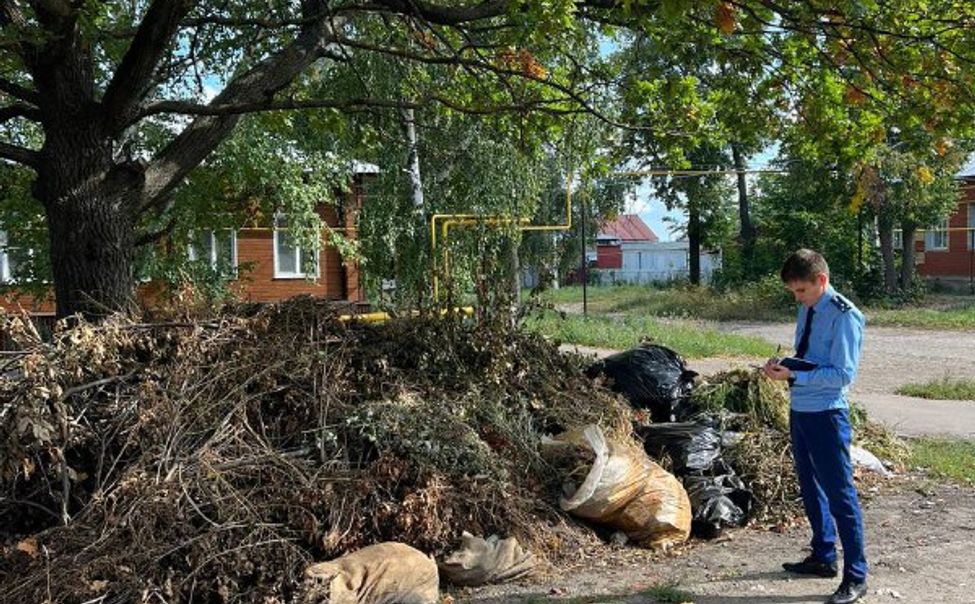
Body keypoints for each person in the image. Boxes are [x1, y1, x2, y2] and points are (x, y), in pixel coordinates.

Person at [763, 249, 868, 604]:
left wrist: (793, 374)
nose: (797, 298)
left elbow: (842, 375)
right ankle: (824, 556)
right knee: (810, 488)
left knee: (840, 495)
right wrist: (783, 365)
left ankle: (856, 576)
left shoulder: (845, 316)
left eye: (801, 292)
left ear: (820, 281)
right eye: (794, 293)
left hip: (827, 414)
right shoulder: (808, 307)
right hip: (801, 409)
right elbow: (810, 359)